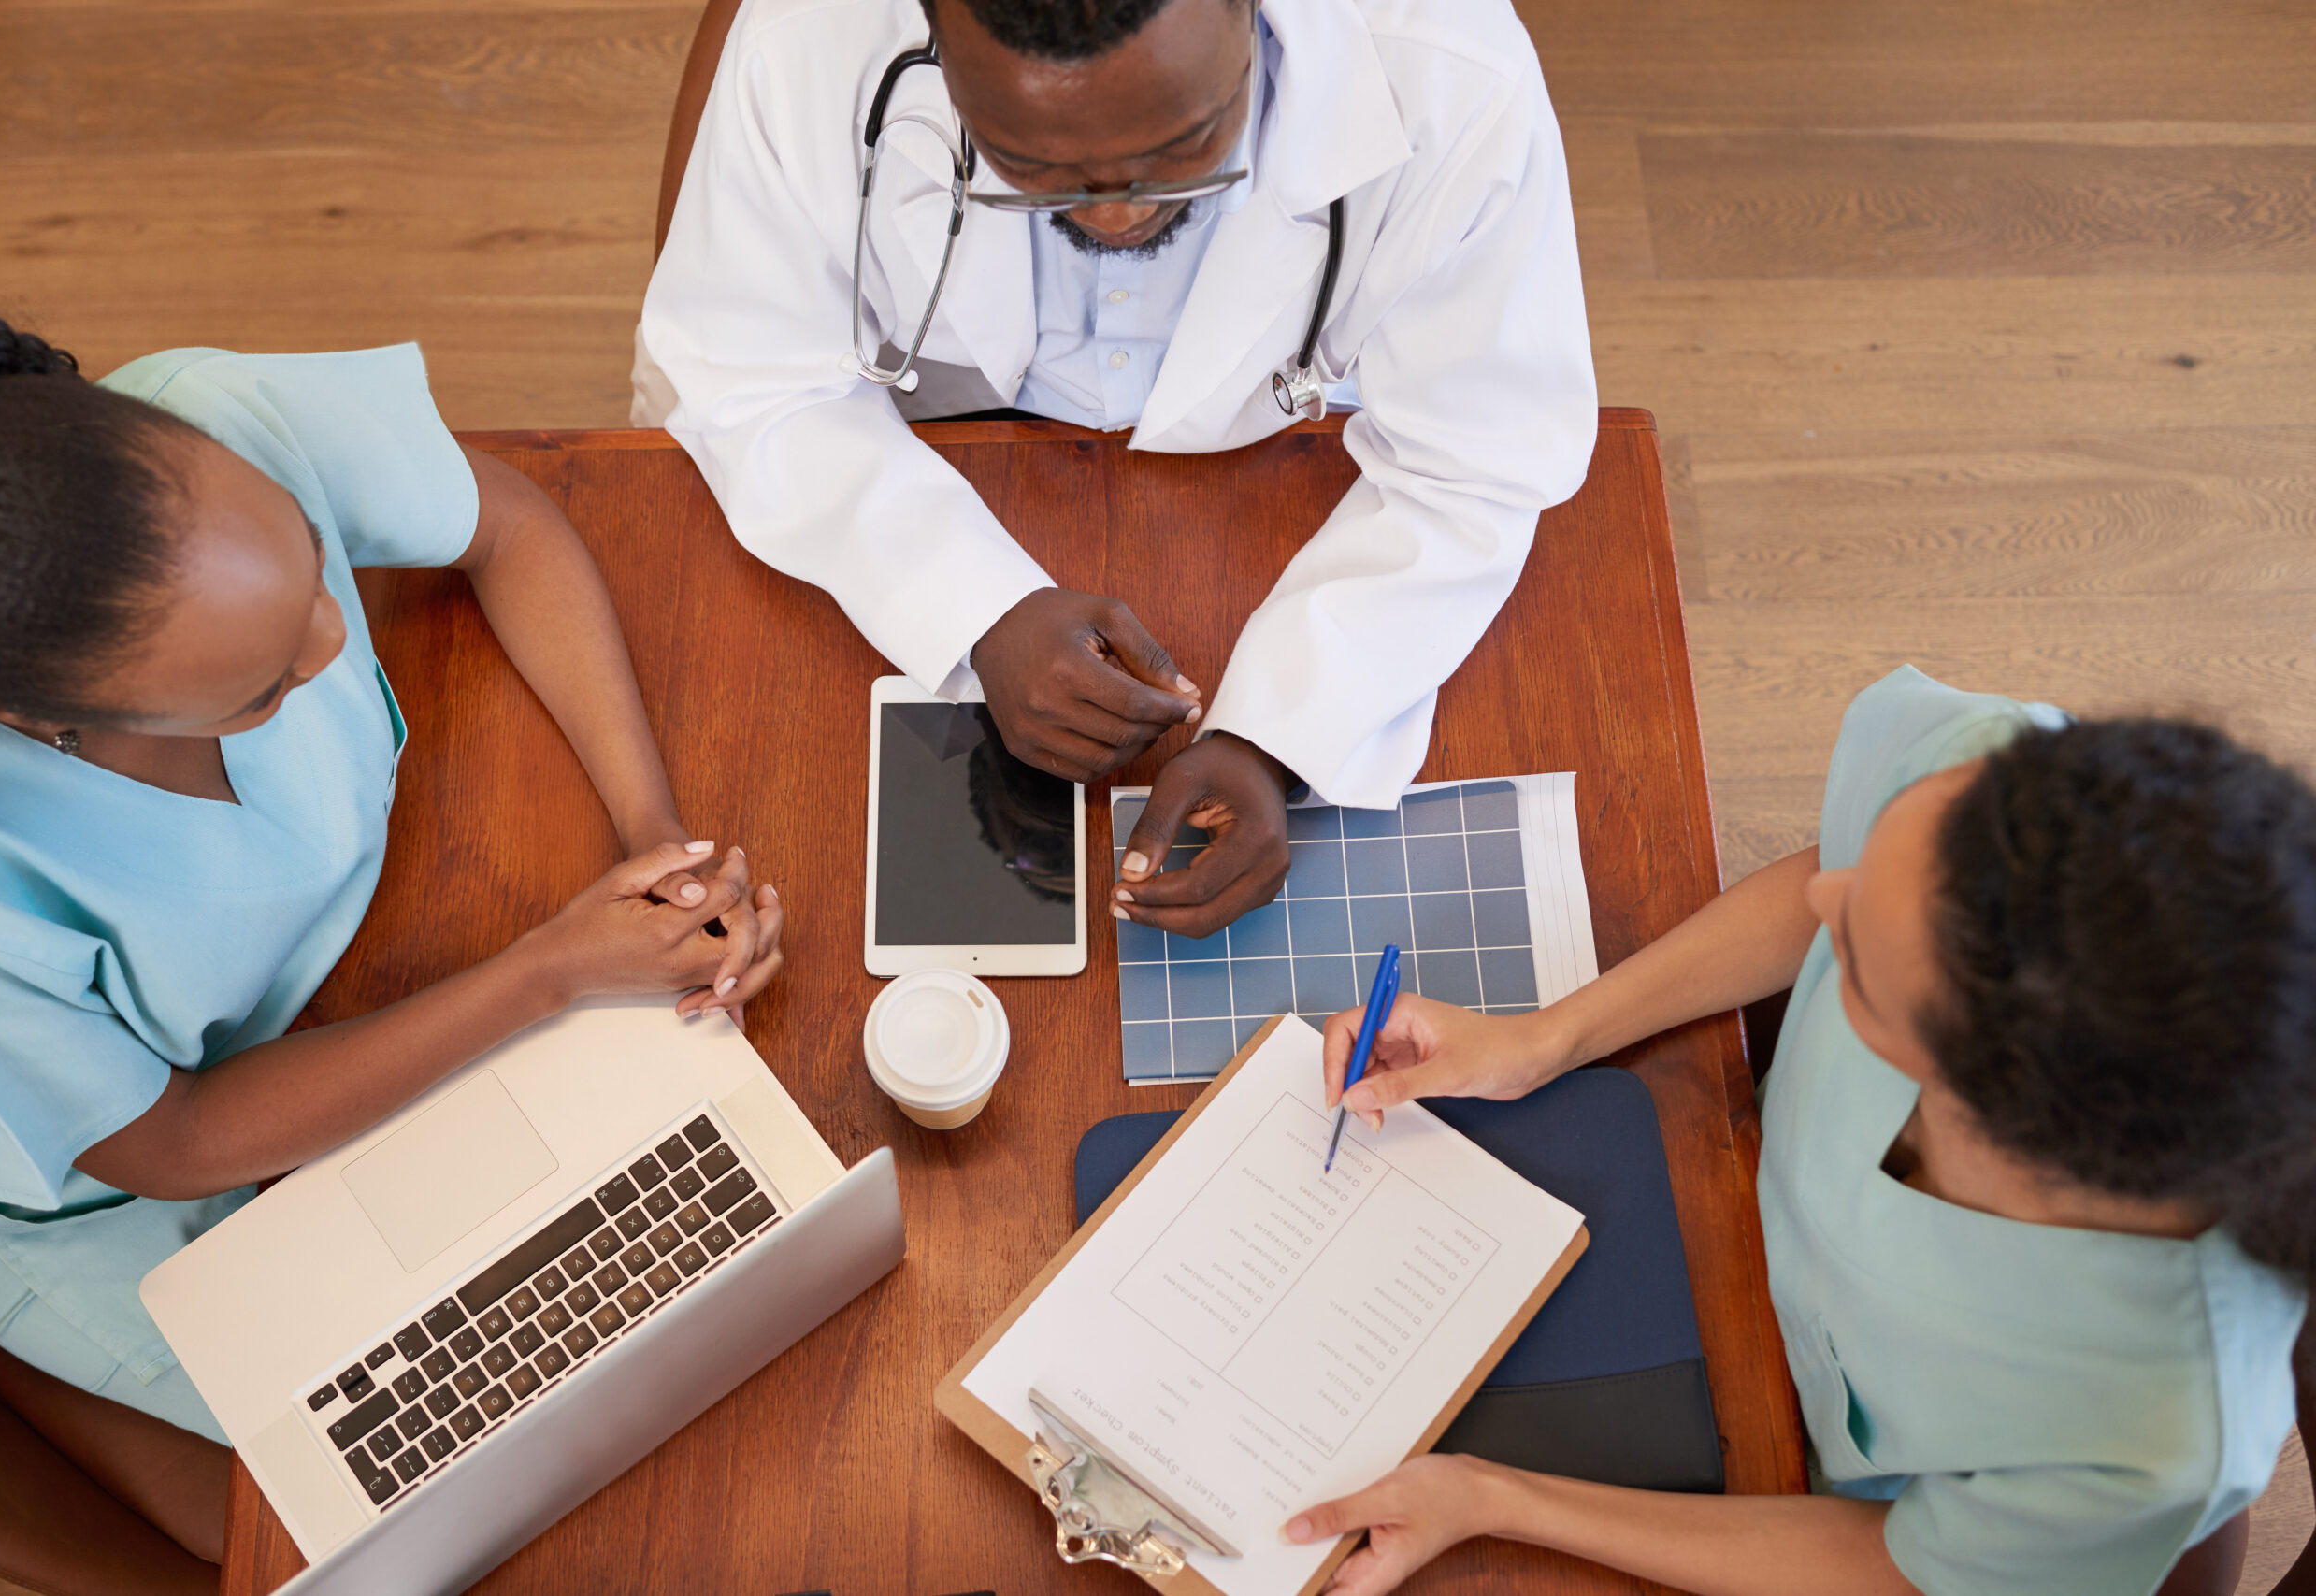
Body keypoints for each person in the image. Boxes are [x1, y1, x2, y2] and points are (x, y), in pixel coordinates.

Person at [0, 312, 786, 1475]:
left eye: (314, 566)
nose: (335, 641)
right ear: (47, 723)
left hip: (352, 990)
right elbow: (174, 1137)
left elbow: (508, 528)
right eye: (258, 690)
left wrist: (654, 842)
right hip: (131, 1209)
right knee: (458, 1444)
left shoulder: (217, 411)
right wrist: (554, 968)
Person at [1296, 667, 2315, 1596]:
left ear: (1990, 1121)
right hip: (1726, 1228)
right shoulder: (2000, 783)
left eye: (1861, 955)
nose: (1825, 894)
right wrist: (1548, 1038)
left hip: (1828, 1495)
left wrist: (1491, 1500)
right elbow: (1821, 880)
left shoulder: (2150, 1431)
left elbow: (1896, 1569)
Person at [637, 0, 1596, 937]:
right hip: (944, 424)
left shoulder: (1452, 69)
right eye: (1035, 165)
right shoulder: (806, 37)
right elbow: (748, 377)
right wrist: (975, 608)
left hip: (1274, 449)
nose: (1118, 212)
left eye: (1184, 144)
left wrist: (1282, 733)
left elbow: (1473, 458)